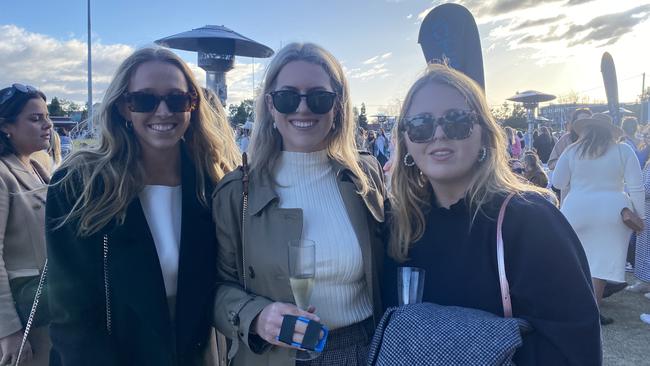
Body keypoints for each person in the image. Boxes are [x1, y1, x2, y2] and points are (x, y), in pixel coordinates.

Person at [383, 63, 601, 365]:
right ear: (405, 139)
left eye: (457, 121)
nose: (439, 134)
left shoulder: (531, 222)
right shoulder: (399, 225)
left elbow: (574, 349)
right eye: (421, 124)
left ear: (484, 133)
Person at [45, 47, 240, 365]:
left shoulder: (212, 181)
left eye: (177, 99)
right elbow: (71, 314)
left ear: (193, 104)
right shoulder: (79, 183)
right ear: (123, 106)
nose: (163, 112)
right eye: (145, 100)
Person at [212, 42, 386, 366]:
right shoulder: (237, 193)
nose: (303, 109)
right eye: (288, 97)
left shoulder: (364, 177)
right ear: (271, 105)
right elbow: (216, 287)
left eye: (319, 98)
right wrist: (257, 316)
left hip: (361, 351)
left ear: (338, 107)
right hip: (273, 357)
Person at [553, 113, 644, 325]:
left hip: (576, 209)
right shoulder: (623, 150)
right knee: (601, 264)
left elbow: (558, 182)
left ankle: (572, 305)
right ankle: (592, 310)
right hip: (613, 212)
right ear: (610, 131)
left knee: (576, 259)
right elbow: (636, 187)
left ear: (586, 129)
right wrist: (641, 219)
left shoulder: (572, 150)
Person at [0, 83, 53, 366]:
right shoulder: (2, 174)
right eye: (35, 119)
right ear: (7, 126)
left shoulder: (38, 167)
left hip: (47, 309)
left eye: (46, 116)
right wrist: (7, 330)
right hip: (23, 318)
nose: (48, 124)